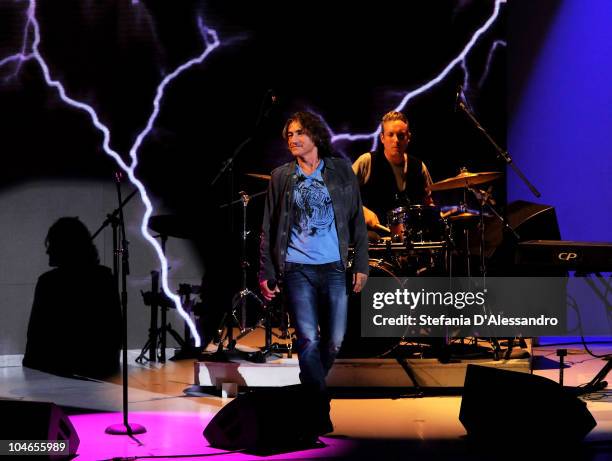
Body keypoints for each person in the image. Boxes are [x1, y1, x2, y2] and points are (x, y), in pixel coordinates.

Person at [259, 111, 369, 394]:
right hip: (297, 269)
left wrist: (361, 264)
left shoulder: (342, 171)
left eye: (298, 133)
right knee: (308, 339)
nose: (292, 139)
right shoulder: (281, 177)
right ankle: (316, 407)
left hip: (334, 268)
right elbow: (268, 229)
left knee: (335, 340)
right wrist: (267, 272)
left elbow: (357, 220)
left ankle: (307, 395)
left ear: (315, 135)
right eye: (289, 135)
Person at [23, 217, 121, 379]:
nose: (47, 251)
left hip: (56, 376)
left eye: (52, 244)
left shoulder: (48, 283)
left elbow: (36, 337)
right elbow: (114, 333)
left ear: (64, 247)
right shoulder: (104, 278)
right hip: (100, 376)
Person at [352, 111, 434, 233]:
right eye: (391, 135)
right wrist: (361, 210)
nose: (396, 140)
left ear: (408, 138)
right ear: (382, 138)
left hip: (411, 243)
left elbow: (428, 203)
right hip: (374, 243)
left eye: (401, 135)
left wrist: (436, 216)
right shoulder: (367, 161)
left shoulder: (419, 167)